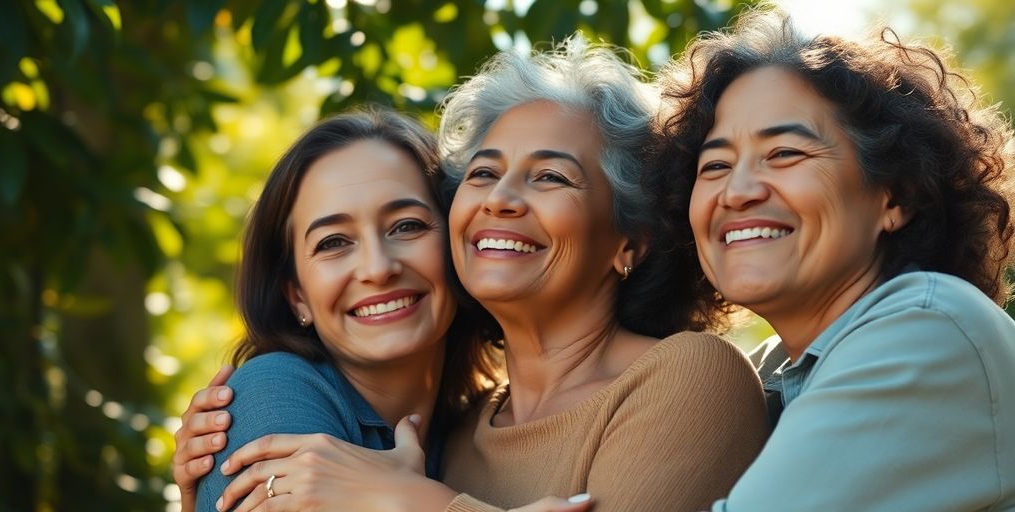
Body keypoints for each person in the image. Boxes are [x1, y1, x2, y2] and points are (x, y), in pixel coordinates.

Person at [175, 38, 770, 512]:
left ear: (629, 242)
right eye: (483, 174)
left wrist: (410, 500)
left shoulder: (690, 377)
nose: (501, 200)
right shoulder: (454, 435)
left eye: (551, 177)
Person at [647, 7, 1015, 510]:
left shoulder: (928, 329)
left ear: (897, 196)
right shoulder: (776, 368)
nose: (737, 191)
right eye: (715, 164)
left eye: (784, 154)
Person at [173, 108, 507, 512]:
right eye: (333, 242)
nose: (378, 268)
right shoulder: (272, 390)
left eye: (407, 226)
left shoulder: (474, 427)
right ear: (296, 295)